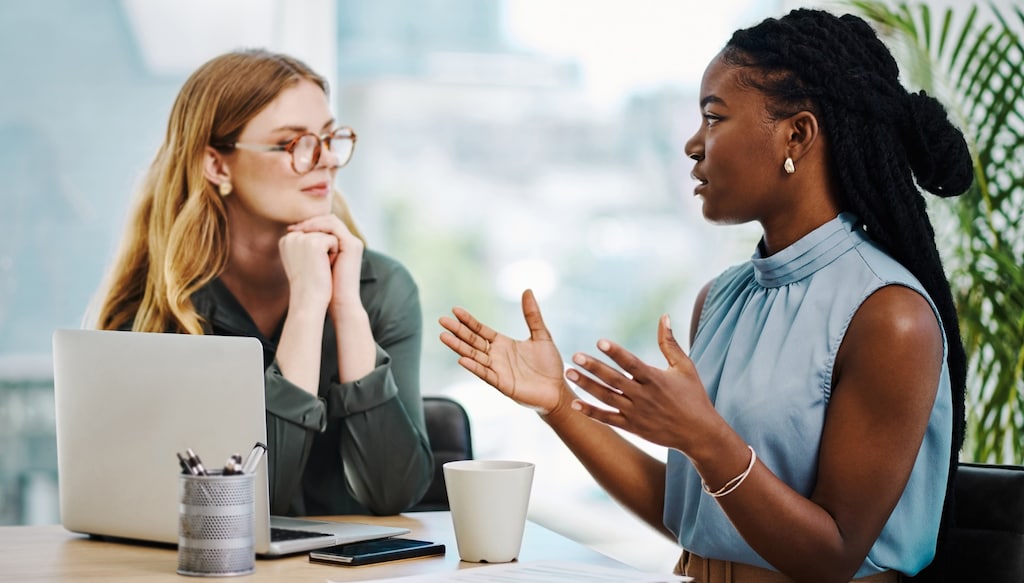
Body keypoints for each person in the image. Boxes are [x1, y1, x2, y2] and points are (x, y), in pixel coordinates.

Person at [440, 8, 971, 582]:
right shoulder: (720, 299)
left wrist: (705, 437)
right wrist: (557, 403)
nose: (693, 145)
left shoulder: (890, 317)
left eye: (714, 118)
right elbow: (693, 515)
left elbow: (833, 556)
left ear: (797, 134)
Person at [96, 49, 433, 516]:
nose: (326, 161)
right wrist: (307, 309)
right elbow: (241, 506)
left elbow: (393, 493)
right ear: (217, 165)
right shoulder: (162, 304)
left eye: (328, 138)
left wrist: (345, 310)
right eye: (291, 142)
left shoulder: (382, 288)